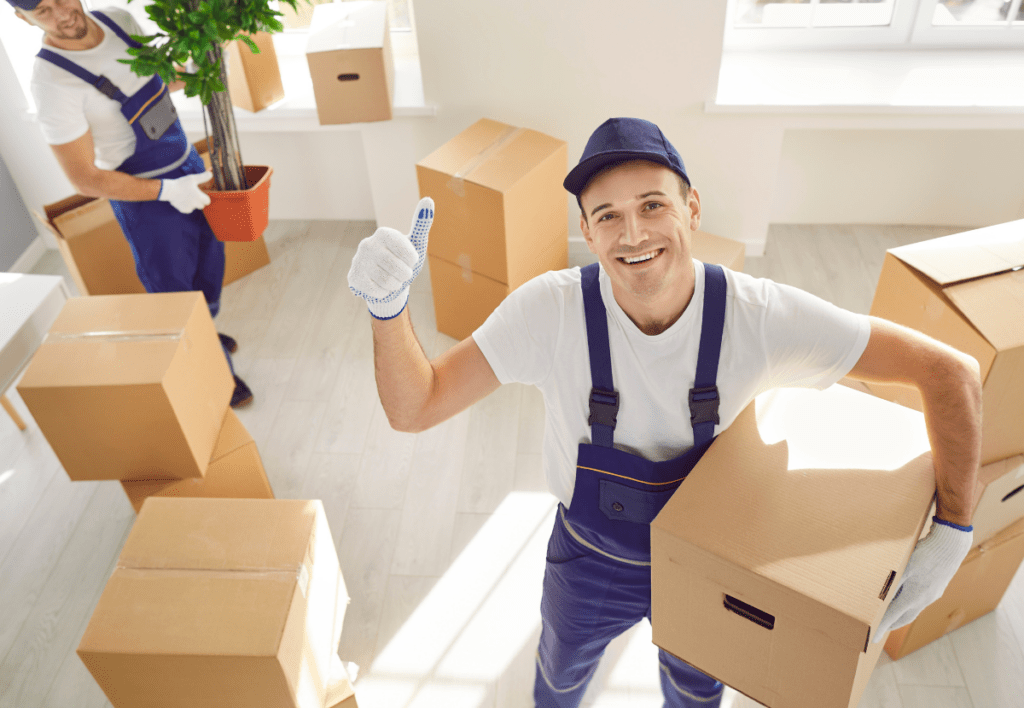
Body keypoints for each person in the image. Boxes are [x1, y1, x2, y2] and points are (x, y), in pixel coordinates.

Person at [348, 116, 982, 707]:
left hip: (715, 564)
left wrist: (952, 532)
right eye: (608, 215)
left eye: (653, 205)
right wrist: (388, 311)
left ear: (692, 208)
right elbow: (417, 406)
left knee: (695, 694)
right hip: (588, 560)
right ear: (587, 231)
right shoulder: (549, 312)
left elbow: (949, 373)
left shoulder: (758, 318)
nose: (633, 234)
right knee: (559, 676)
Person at [1, 0, 252, 408]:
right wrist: (164, 191)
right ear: (23, 19)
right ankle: (216, 372)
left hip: (188, 169)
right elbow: (85, 178)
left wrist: (197, 68)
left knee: (210, 265)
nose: (63, 13)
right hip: (145, 201)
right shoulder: (52, 84)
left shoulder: (118, 21)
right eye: (43, 11)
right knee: (175, 293)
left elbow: (155, 81)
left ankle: (208, 327)